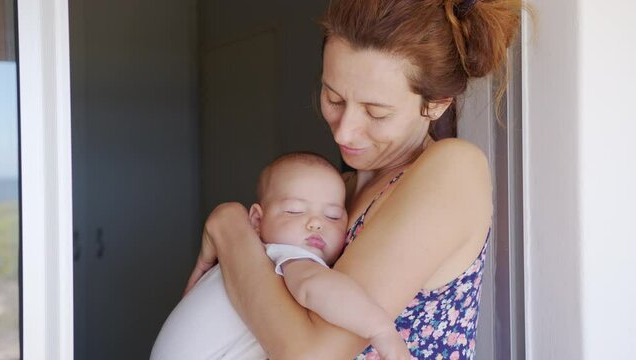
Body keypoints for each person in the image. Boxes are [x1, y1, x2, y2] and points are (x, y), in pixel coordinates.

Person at [185, 0, 521, 358]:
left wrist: (229, 226)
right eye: (333, 97)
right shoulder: (336, 194)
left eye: (376, 112)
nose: (344, 132)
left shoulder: (454, 169)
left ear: (436, 104)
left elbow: (311, 354)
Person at [151, 152, 410, 360]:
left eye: (332, 216)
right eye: (295, 211)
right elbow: (315, 286)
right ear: (256, 220)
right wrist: (381, 330)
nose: (315, 224)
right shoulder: (282, 254)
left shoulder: (245, 260)